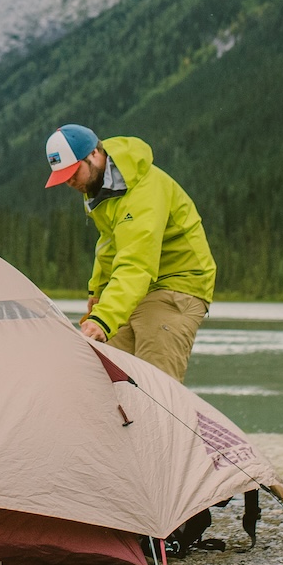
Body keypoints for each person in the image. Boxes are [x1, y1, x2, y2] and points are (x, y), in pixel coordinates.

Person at [44, 124, 215, 382]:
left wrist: (103, 320)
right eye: (62, 176)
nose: (69, 181)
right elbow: (109, 244)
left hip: (177, 284)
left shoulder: (142, 190)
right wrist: (97, 292)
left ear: (93, 154)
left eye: (72, 172)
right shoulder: (97, 186)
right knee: (102, 375)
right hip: (140, 288)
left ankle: (173, 423)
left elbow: (136, 263)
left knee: (155, 385)